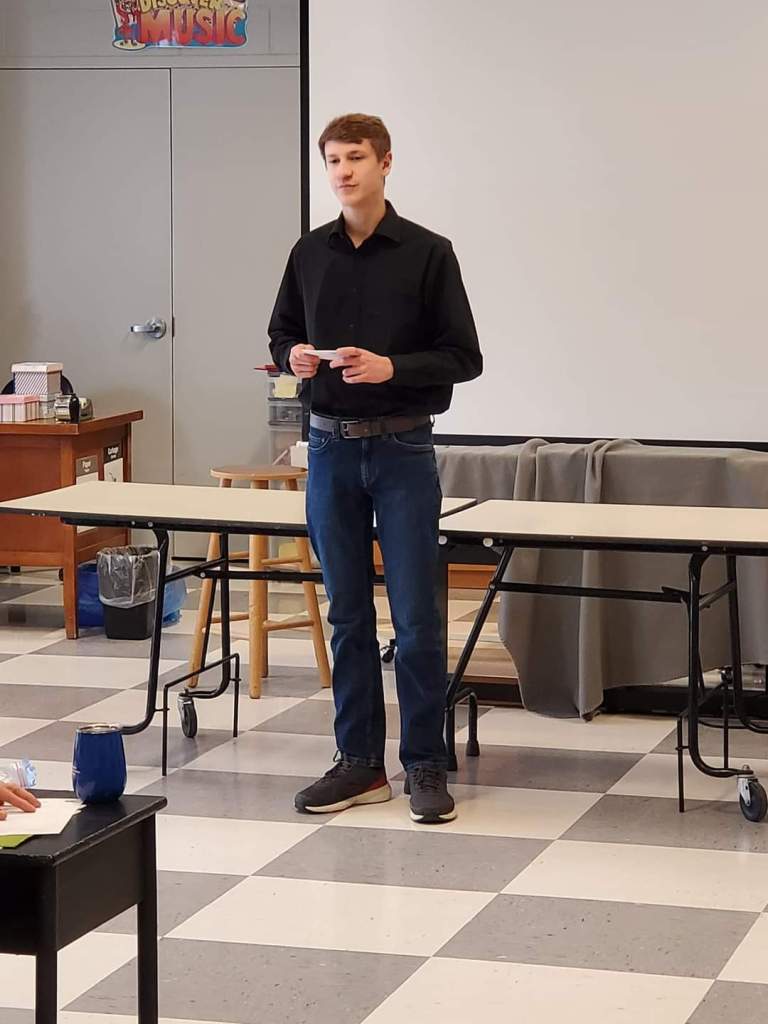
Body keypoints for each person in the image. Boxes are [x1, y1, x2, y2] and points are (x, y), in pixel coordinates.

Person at [268, 113, 482, 824]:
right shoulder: (308, 253)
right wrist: (294, 357)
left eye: (355, 158)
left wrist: (394, 367)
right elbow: (282, 333)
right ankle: (360, 764)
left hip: (402, 450)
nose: (343, 172)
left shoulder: (428, 253)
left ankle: (424, 763)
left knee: (417, 616)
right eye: (332, 160)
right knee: (348, 615)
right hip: (329, 450)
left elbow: (464, 357)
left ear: (385, 163)